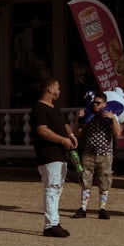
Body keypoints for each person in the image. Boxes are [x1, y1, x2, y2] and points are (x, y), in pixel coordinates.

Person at [30, 78, 76, 237]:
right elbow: (42, 130)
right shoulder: (39, 108)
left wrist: (70, 134)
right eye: (57, 88)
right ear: (50, 89)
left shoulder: (55, 107)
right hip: (48, 155)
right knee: (52, 187)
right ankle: (50, 225)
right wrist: (63, 140)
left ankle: (55, 221)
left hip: (60, 154)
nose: (59, 91)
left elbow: (64, 124)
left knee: (57, 187)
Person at [72, 91, 122, 219]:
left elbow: (118, 133)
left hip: (105, 154)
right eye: (94, 102)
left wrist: (112, 119)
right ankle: (83, 208)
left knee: (104, 181)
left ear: (104, 104)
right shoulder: (89, 116)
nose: (95, 105)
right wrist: (77, 119)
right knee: (85, 180)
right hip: (89, 153)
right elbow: (79, 133)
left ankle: (102, 209)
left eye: (98, 103)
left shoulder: (110, 115)